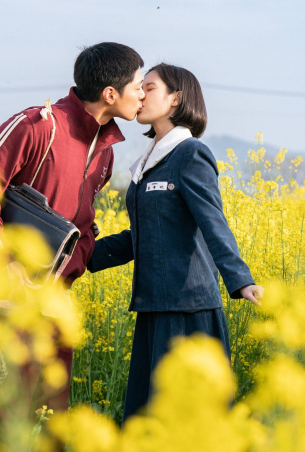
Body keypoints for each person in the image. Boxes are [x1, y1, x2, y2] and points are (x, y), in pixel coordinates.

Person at [0, 42, 145, 441]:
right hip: (9, 298)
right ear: (111, 94)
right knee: (6, 414)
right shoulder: (39, 125)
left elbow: (78, 221)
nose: (143, 94)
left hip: (56, 302)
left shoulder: (107, 153)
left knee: (49, 418)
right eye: (139, 85)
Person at [86, 63, 264, 425]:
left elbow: (212, 222)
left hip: (189, 309)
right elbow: (144, 235)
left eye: (148, 88)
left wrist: (240, 278)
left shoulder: (189, 155)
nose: (139, 95)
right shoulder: (147, 162)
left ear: (175, 99)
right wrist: (83, 255)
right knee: (148, 419)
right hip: (154, 308)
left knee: (192, 421)